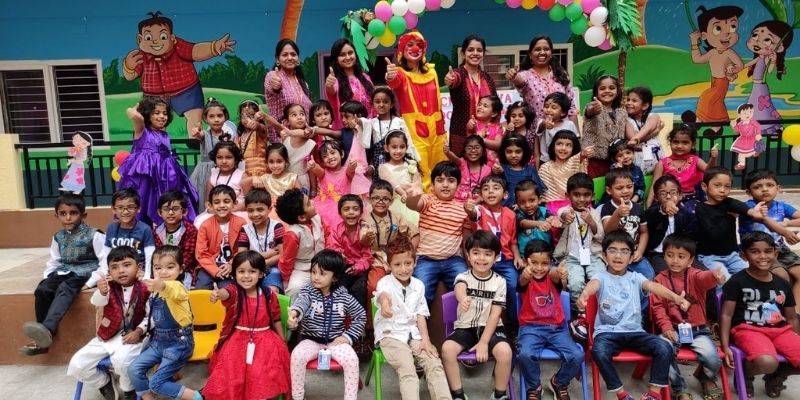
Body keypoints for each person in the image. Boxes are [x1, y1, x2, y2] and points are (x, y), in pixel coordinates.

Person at [577, 230, 692, 400]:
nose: (618, 256)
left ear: (631, 258)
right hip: (607, 333)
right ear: (604, 255)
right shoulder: (600, 276)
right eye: (613, 250)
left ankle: (653, 394)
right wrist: (585, 294)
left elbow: (654, 287)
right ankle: (622, 394)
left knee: (664, 347)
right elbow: (593, 284)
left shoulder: (636, 277)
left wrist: (675, 298)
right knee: (599, 351)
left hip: (636, 332)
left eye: (624, 251)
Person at [122, 11, 235, 138]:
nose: (156, 42)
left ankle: (195, 140)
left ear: (172, 38)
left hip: (185, 90)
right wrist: (128, 66)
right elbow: (130, 76)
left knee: (194, 117)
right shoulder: (139, 57)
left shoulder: (178, 46)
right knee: (155, 121)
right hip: (153, 95)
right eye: (148, 38)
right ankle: (157, 142)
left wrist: (214, 47)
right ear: (139, 40)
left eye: (163, 37)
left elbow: (195, 51)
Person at [19, 193, 107, 356]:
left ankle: (47, 332)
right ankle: (43, 339)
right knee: (43, 289)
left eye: (73, 213)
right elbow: (54, 261)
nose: (68, 218)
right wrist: (49, 279)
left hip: (86, 273)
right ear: (56, 215)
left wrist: (90, 282)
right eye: (63, 213)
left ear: (83, 215)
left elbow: (105, 262)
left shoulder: (95, 235)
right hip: (66, 272)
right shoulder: (58, 237)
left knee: (65, 287)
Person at [720, 231, 800, 398]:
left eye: (768, 251)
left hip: (780, 331)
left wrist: (795, 344)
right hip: (747, 330)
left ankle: (776, 377)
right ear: (744, 256)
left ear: (775, 254)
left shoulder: (782, 284)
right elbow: (726, 315)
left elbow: (792, 317)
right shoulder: (736, 281)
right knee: (768, 362)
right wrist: (725, 346)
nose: (763, 256)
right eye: (755, 252)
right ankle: (745, 374)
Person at [202, 251, 291, 400]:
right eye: (241, 271)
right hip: (238, 340)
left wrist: (282, 340)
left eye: (252, 271)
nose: (246, 276)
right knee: (233, 373)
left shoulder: (268, 294)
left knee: (261, 372)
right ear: (234, 273)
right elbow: (226, 293)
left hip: (266, 341)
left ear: (261, 274)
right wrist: (218, 294)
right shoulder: (235, 291)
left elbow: (276, 318)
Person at [374, 236, 451, 400]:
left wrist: (426, 340)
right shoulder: (384, 282)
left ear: (415, 263)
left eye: (408, 263)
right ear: (389, 265)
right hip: (391, 334)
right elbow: (382, 295)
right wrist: (385, 305)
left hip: (413, 334)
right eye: (397, 264)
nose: (403, 269)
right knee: (408, 369)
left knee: (434, 363)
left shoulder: (418, 285)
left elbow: (420, 314)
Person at [68, 246, 149, 400]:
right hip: (107, 335)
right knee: (77, 364)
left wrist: (139, 331)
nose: (121, 271)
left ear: (138, 267)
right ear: (109, 272)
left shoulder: (146, 288)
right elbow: (97, 302)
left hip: (134, 336)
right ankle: (104, 382)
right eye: (115, 267)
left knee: (122, 361)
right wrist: (102, 292)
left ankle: (128, 390)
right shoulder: (108, 288)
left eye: (127, 265)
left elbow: (150, 316)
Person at [651, 234, 726, 400]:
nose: (675, 261)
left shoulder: (695, 275)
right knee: (663, 352)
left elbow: (705, 279)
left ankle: (706, 377)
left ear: (691, 260)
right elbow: (658, 307)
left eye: (681, 256)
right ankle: (680, 388)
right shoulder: (659, 279)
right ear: (664, 256)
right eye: (670, 255)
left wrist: (714, 276)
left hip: (698, 330)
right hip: (672, 330)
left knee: (713, 359)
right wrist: (666, 327)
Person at [441, 231, 513, 400]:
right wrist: (462, 298)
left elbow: (495, 314)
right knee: (447, 349)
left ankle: (499, 395)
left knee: (505, 352)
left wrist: (484, 342)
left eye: (488, 254)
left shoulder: (500, 282)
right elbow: (459, 287)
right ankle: (458, 394)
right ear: (468, 255)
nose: (481, 258)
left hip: (492, 328)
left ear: (496, 257)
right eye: (476, 253)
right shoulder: (463, 276)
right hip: (466, 328)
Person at [287, 250, 366, 400]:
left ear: (335, 277)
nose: (316, 277)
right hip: (310, 340)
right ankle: (297, 397)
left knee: (352, 359)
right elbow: (301, 303)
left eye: (322, 273)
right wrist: (295, 313)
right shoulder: (308, 292)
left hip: (336, 342)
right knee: (297, 355)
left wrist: (348, 336)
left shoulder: (344, 296)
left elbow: (361, 316)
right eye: (313, 272)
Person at [696, 167, 798, 278]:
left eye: (727, 186)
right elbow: (713, 234)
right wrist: (731, 218)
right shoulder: (700, 208)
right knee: (725, 279)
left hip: (734, 255)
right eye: (717, 185)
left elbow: (753, 213)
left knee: (749, 277)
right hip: (712, 256)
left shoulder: (730, 203)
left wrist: (785, 229)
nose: (722, 190)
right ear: (704, 186)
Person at [129, 246, 200, 400]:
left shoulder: (178, 286)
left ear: (181, 269)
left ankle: (198, 396)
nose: (163, 272)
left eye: (170, 267)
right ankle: (147, 396)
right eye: (158, 268)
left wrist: (161, 285)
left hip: (179, 344)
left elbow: (170, 289)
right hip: (158, 341)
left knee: (156, 383)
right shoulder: (155, 290)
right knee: (133, 369)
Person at [517, 240, 584, 400]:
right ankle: (534, 387)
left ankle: (559, 382)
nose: (539, 268)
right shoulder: (526, 279)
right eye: (534, 263)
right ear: (526, 261)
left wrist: (560, 273)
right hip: (530, 328)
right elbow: (522, 281)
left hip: (557, 329)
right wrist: (525, 274)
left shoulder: (552, 278)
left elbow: (554, 275)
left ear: (550, 263)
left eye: (545, 263)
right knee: (525, 354)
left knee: (577, 355)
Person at [117, 97, 198, 225]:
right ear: (147, 114)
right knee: (144, 202)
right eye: (156, 113)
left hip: (165, 176)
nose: (162, 116)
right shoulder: (142, 130)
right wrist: (133, 111)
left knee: (166, 202)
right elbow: (136, 117)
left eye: (164, 113)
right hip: (146, 175)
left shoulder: (164, 134)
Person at [385, 31, 446, 191]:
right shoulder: (401, 73)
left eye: (419, 45)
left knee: (441, 165)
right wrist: (390, 75)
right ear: (402, 50)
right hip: (414, 128)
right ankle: (424, 200)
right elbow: (393, 82)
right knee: (421, 166)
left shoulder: (432, 72)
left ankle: (442, 197)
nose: (415, 48)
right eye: (410, 45)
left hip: (437, 127)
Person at [404, 161, 470, 304]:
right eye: (440, 180)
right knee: (421, 292)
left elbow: (466, 239)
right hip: (426, 259)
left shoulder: (462, 209)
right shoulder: (428, 200)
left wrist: (468, 261)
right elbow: (413, 204)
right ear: (433, 185)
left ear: (458, 186)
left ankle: (463, 319)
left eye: (451, 180)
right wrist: (414, 195)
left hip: (453, 260)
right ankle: (419, 319)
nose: (445, 185)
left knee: (465, 286)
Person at [465, 175, 522, 332]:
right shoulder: (480, 210)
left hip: (505, 261)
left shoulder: (510, 214)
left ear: (505, 195)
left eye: (496, 188)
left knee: (511, 285)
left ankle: (512, 327)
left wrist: (517, 256)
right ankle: (476, 326)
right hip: (483, 261)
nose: (490, 191)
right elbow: (472, 213)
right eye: (485, 189)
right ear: (481, 195)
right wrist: (469, 207)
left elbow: (512, 240)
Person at [739, 169, 800, 313]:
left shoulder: (781, 206)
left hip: (780, 249)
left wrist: (786, 223)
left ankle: (796, 312)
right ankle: (779, 312)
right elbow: (763, 219)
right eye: (757, 187)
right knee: (781, 275)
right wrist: (785, 231)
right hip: (759, 252)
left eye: (770, 185)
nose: (765, 189)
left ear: (778, 188)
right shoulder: (749, 207)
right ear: (748, 192)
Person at [361, 179, 420, 300]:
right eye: (376, 198)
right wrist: (366, 237)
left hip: (397, 259)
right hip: (377, 260)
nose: (380, 202)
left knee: (405, 286)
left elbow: (415, 233)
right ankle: (374, 312)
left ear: (391, 201)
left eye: (385, 199)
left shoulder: (397, 217)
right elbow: (362, 240)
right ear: (370, 199)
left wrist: (409, 254)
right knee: (374, 286)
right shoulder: (365, 219)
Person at [554, 173, 605, 309]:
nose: (582, 199)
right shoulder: (567, 211)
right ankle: (579, 310)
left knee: (600, 279)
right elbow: (561, 215)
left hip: (593, 256)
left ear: (593, 196)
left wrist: (591, 222)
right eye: (576, 195)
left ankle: (597, 308)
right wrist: (565, 217)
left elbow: (600, 237)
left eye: (586, 195)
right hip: (571, 257)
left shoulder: (594, 213)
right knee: (576, 284)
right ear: (568, 195)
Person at [506, 35, 579, 130]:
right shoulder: (525, 75)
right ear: (530, 55)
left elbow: (571, 108)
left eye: (546, 49)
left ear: (551, 53)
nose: (542, 52)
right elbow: (520, 81)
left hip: (562, 132)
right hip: (537, 132)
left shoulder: (561, 75)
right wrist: (514, 77)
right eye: (537, 49)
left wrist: (577, 134)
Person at [690, 5, 744, 128]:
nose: (727, 34)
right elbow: (697, 59)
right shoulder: (713, 52)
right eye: (718, 28)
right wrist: (694, 43)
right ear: (704, 35)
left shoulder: (729, 52)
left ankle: (700, 120)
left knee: (706, 97)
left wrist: (731, 70)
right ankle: (717, 126)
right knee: (716, 103)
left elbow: (740, 65)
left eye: (732, 27)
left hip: (722, 81)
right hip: (714, 80)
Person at [444, 34, 498, 155]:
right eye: (470, 50)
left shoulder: (487, 78)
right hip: (461, 133)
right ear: (463, 54)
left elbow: (496, 105)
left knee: (486, 164)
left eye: (479, 50)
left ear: (483, 54)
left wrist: (495, 129)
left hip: (485, 134)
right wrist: (450, 79)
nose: (475, 53)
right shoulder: (459, 73)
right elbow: (454, 79)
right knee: (461, 165)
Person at [599, 169, 655, 284]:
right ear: (609, 190)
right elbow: (608, 231)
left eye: (629, 187)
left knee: (648, 275)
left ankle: (639, 297)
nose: (625, 191)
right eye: (619, 188)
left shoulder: (638, 208)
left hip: (634, 255)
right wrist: (617, 214)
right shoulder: (607, 207)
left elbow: (644, 232)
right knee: (616, 280)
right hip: (615, 255)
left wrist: (640, 251)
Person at [647, 124, 718, 208]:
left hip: (692, 201)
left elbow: (710, 172)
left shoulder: (696, 160)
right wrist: (648, 206)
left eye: (685, 142)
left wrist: (713, 158)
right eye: (675, 142)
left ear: (693, 144)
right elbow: (655, 185)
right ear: (670, 142)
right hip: (668, 200)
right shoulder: (662, 164)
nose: (679, 146)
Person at [744, 20, 794, 135]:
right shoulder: (761, 56)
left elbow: (770, 70)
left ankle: (770, 127)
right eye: (755, 35)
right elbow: (750, 63)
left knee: (761, 107)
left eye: (767, 40)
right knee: (756, 106)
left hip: (760, 86)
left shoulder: (767, 58)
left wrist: (773, 60)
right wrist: (738, 67)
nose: (757, 41)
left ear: (779, 48)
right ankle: (756, 127)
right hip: (756, 86)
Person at [97, 189, 156, 283]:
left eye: (130, 207)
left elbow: (150, 255)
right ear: (114, 209)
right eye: (120, 207)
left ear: (138, 208)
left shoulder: (145, 229)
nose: (125, 212)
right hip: (117, 272)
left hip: (137, 273)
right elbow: (106, 254)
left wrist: (147, 275)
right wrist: (106, 273)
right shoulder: (111, 228)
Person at [644, 175, 700, 274]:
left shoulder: (687, 213)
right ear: (656, 197)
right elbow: (651, 216)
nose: (668, 196)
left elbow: (691, 237)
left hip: (682, 253)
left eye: (673, 192)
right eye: (663, 193)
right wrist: (663, 209)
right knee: (666, 276)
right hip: (659, 254)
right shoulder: (653, 212)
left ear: (680, 195)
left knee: (702, 274)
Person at [275, 188, 324, 301]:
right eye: (308, 204)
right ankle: (293, 312)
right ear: (302, 217)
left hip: (323, 264)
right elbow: (286, 260)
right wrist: (286, 280)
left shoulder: (317, 218)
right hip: (302, 269)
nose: (312, 202)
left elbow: (328, 235)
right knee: (295, 288)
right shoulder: (293, 234)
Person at [195, 185, 247, 289]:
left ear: (235, 203)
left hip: (231, 265)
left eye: (226, 201)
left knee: (227, 290)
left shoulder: (241, 223)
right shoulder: (205, 225)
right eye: (217, 202)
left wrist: (232, 264)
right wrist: (215, 270)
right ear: (210, 205)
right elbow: (201, 254)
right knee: (201, 289)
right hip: (209, 265)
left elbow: (243, 250)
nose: (222, 205)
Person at [326, 194, 372, 310]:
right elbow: (333, 248)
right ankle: (338, 317)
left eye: (355, 209)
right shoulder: (336, 230)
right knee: (339, 288)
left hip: (361, 267)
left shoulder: (365, 230)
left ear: (361, 212)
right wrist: (340, 256)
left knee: (359, 289)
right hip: (343, 266)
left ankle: (359, 318)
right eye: (346, 209)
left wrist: (357, 268)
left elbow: (367, 256)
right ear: (340, 213)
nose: (351, 212)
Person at [189, 98, 236, 205]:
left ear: (225, 117)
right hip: (205, 174)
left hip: (224, 172)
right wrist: (197, 133)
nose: (216, 119)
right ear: (205, 119)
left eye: (219, 116)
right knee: (205, 199)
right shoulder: (205, 134)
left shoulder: (229, 137)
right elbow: (200, 135)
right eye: (211, 116)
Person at [265, 39, 313, 142]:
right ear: (277, 59)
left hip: (304, 140)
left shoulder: (303, 83)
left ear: (298, 59)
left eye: (293, 54)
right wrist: (276, 86)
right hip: (281, 140)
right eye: (285, 55)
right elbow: (272, 87)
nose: (290, 58)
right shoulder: (272, 76)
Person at [237, 189, 284, 293]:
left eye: (260, 210)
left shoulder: (277, 227)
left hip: (272, 268)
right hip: (251, 268)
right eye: (250, 210)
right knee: (244, 290)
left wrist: (262, 263)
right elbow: (242, 256)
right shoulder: (245, 229)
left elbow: (282, 254)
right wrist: (265, 255)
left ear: (269, 209)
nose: (255, 214)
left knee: (272, 290)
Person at [580, 75, 627, 178]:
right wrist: (595, 108)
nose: (607, 91)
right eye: (602, 88)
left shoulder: (622, 113)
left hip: (615, 161)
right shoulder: (591, 106)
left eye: (611, 88)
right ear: (596, 92)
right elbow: (590, 111)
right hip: (593, 161)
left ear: (618, 91)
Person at [367, 86, 418, 178]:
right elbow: (368, 147)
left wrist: (412, 163)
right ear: (373, 104)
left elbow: (409, 143)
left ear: (391, 104)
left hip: (398, 161)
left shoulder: (399, 122)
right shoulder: (371, 123)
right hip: (378, 163)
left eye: (385, 102)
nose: (381, 105)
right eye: (377, 102)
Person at [538, 130, 592, 214]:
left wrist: (581, 156)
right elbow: (542, 194)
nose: (563, 148)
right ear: (553, 146)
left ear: (574, 149)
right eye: (559, 144)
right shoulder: (545, 168)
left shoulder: (579, 163)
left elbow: (570, 167)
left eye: (568, 145)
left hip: (578, 205)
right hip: (552, 208)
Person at [325, 38, 375, 128]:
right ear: (336, 59)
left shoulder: (365, 77)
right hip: (346, 132)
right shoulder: (335, 81)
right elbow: (331, 91)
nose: (348, 57)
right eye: (342, 55)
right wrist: (329, 85)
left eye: (350, 53)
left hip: (368, 129)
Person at [242, 143, 301, 219]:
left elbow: (300, 198)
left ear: (286, 161)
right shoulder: (265, 178)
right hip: (269, 213)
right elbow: (243, 184)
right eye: (271, 162)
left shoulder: (293, 178)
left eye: (279, 161)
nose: (275, 165)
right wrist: (253, 178)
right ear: (267, 163)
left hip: (289, 212)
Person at [153, 191, 198, 288]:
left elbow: (188, 257)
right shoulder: (157, 232)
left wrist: (173, 269)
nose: (170, 213)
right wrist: (164, 269)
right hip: (162, 269)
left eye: (175, 209)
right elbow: (156, 255)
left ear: (184, 212)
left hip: (183, 270)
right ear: (160, 212)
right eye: (166, 209)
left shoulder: (190, 230)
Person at [377, 130, 422, 224]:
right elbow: (393, 184)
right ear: (386, 148)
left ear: (406, 147)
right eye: (394, 147)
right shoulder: (383, 168)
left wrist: (410, 193)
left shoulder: (411, 165)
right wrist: (403, 192)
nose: (398, 151)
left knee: (412, 225)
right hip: (391, 204)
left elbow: (417, 185)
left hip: (410, 203)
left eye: (402, 147)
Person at [307, 140, 356, 226]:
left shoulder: (346, 172)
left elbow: (350, 171)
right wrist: (313, 166)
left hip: (342, 207)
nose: (330, 157)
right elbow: (317, 170)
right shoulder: (323, 173)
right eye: (325, 156)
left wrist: (352, 166)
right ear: (323, 162)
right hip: (323, 207)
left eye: (333, 153)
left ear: (342, 154)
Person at [492, 133, 546, 207]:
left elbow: (537, 192)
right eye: (509, 151)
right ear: (503, 152)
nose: (513, 155)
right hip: (504, 208)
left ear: (524, 152)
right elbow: (495, 189)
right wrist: (499, 174)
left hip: (526, 207)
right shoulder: (500, 168)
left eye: (518, 152)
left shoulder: (530, 170)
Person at [625, 87, 664, 174]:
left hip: (656, 158)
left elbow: (647, 128)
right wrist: (655, 133)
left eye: (634, 101)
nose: (629, 103)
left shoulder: (653, 116)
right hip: (637, 160)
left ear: (645, 106)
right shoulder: (626, 120)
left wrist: (636, 139)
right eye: (628, 100)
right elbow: (632, 138)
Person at [444, 135, 492, 203]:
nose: (473, 150)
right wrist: (448, 152)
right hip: (456, 202)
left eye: (477, 147)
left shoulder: (487, 170)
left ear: (483, 151)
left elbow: (485, 192)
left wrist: (474, 204)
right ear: (464, 152)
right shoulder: (462, 163)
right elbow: (455, 159)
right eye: (469, 148)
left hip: (476, 204)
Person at [338, 100, 373, 196]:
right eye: (342, 117)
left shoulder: (368, 129)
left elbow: (374, 152)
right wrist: (313, 130)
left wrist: (372, 166)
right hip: (349, 173)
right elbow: (331, 133)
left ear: (358, 116)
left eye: (346, 116)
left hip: (364, 174)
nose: (343, 120)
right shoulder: (345, 132)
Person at [281, 103, 317, 193]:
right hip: (285, 181)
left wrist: (313, 190)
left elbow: (311, 169)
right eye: (294, 115)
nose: (299, 117)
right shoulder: (285, 140)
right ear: (286, 122)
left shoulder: (311, 144)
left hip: (303, 182)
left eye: (302, 114)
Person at [515, 179, 560, 252]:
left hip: (546, 253)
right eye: (522, 202)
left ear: (539, 200)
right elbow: (523, 223)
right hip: (525, 255)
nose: (527, 205)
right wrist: (538, 224)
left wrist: (554, 220)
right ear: (517, 203)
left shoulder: (544, 210)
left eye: (532, 200)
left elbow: (551, 217)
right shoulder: (518, 213)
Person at [537, 92, 580, 164]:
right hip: (547, 162)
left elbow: (576, 142)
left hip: (566, 161)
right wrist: (544, 124)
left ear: (563, 112)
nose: (548, 110)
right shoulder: (541, 123)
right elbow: (540, 129)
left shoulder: (569, 124)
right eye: (546, 106)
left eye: (553, 107)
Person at [204, 140, 245, 213]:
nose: (224, 161)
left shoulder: (242, 176)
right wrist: (210, 209)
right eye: (219, 157)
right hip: (216, 212)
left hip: (236, 212)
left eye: (228, 157)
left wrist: (227, 212)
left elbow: (248, 201)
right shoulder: (212, 177)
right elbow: (207, 201)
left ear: (236, 159)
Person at [601, 139, 645, 205]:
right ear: (614, 159)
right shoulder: (613, 170)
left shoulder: (637, 170)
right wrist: (619, 170)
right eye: (620, 156)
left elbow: (641, 188)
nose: (625, 157)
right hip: (613, 204)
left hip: (632, 202)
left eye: (628, 153)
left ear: (633, 153)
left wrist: (632, 202)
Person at [235, 100, 271, 178]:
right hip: (243, 174)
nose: (247, 119)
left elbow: (259, 127)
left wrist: (256, 124)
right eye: (244, 116)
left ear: (258, 116)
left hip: (260, 173)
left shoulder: (261, 131)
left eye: (251, 116)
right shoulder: (237, 138)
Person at [466, 95, 505, 164]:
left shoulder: (497, 128)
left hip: (492, 166)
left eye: (485, 106)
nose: (480, 107)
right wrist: (469, 127)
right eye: (479, 104)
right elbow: (469, 138)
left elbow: (498, 145)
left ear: (494, 113)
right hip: (475, 164)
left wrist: (482, 139)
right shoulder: (473, 123)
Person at [729, 103, 762, 170]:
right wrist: (734, 126)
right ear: (739, 115)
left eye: (750, 112)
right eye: (744, 113)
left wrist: (758, 134)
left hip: (752, 139)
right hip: (743, 140)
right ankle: (742, 164)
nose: (748, 114)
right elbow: (737, 131)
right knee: (741, 153)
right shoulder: (740, 124)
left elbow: (758, 127)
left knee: (749, 150)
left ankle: (756, 151)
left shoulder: (753, 122)